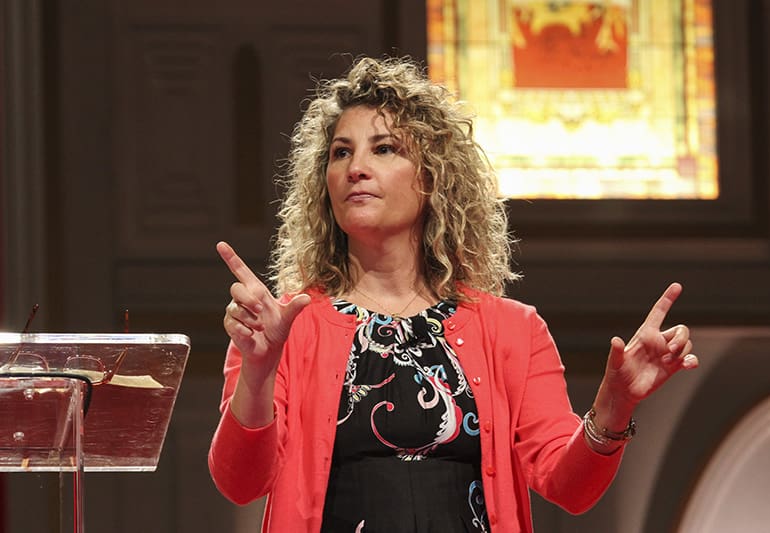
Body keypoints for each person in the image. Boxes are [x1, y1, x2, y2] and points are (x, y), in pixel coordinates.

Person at [208, 56, 698, 533]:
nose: (356, 167)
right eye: (341, 152)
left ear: (432, 177)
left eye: (384, 149)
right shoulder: (282, 328)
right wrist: (258, 371)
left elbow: (568, 488)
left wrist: (614, 408)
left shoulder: (513, 329)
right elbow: (240, 483)